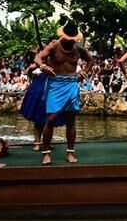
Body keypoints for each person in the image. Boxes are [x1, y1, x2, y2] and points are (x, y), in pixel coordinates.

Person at [35, 21, 93, 165]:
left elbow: (91, 61)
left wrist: (83, 73)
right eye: (69, 38)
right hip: (55, 84)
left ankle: (70, 152)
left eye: (73, 39)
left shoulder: (79, 49)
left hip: (72, 84)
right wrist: (43, 67)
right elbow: (38, 58)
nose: (71, 41)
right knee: (51, 118)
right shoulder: (54, 46)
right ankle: (46, 153)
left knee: (71, 120)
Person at [20, 62, 65, 151]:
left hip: (55, 84)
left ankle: (46, 142)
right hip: (40, 87)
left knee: (51, 119)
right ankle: (37, 143)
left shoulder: (59, 57)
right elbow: (27, 72)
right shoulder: (42, 58)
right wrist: (39, 67)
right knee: (38, 117)